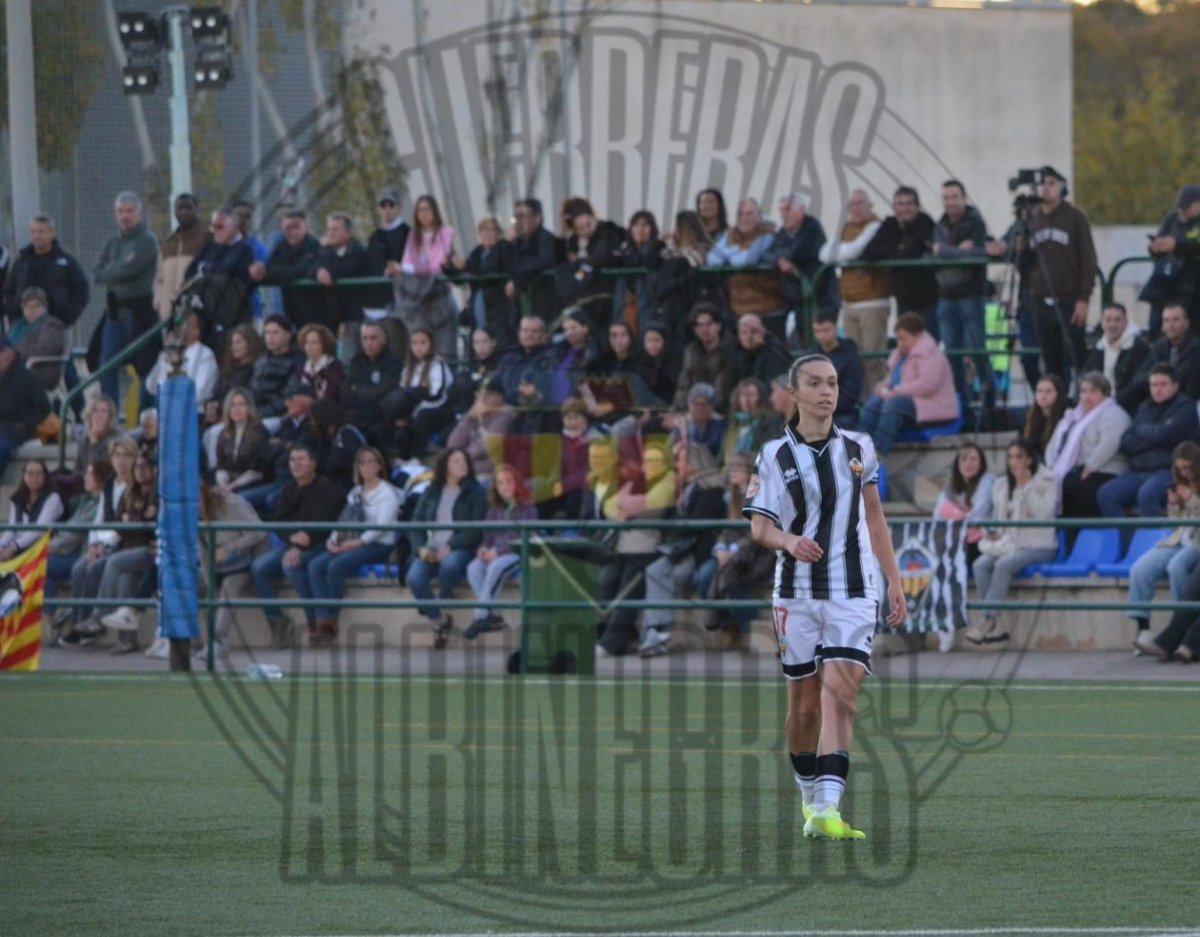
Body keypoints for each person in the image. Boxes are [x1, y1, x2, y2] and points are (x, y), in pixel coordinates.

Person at [745, 353, 906, 841]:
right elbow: (758, 527)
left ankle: (830, 808)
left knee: (843, 693)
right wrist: (789, 541)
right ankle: (808, 795)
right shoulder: (774, 455)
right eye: (814, 384)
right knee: (805, 707)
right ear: (794, 394)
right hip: (795, 592)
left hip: (854, 590)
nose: (826, 392)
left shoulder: (861, 447)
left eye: (832, 383)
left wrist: (893, 579)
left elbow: (874, 516)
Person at [249, 442, 344, 649]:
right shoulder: (288, 489)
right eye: (293, 460)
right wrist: (293, 540)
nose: (296, 464)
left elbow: (324, 524)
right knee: (259, 567)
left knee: (291, 565)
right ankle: (277, 621)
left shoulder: (325, 487)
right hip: (293, 544)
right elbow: (279, 523)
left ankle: (317, 621)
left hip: (320, 544)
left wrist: (301, 543)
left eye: (301, 459)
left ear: (313, 463)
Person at [304, 446, 403, 646]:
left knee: (336, 566)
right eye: (362, 462)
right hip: (350, 542)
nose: (367, 466)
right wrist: (333, 541)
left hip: (376, 545)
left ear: (379, 466)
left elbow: (381, 528)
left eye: (371, 462)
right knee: (315, 566)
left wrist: (356, 543)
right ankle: (323, 619)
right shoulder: (355, 492)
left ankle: (330, 623)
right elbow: (344, 521)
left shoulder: (387, 493)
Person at [966, 437, 1058, 646]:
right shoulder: (1001, 485)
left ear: (1030, 460)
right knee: (980, 565)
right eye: (1010, 457)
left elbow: (1044, 515)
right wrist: (993, 531)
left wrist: (1026, 488)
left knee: (1003, 564)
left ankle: (986, 620)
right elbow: (999, 518)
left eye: (1018, 457)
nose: (1013, 462)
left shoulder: (1047, 481)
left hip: (1039, 545)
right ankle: (996, 625)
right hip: (1008, 544)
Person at [640, 442, 726, 657]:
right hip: (681, 551)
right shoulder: (688, 489)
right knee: (655, 570)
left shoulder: (712, 489)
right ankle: (654, 632)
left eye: (680, 459)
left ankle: (654, 632)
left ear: (694, 462)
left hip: (698, 553)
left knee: (665, 574)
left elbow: (695, 524)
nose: (676, 465)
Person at [594, 440, 676, 657]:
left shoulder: (668, 480)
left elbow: (655, 504)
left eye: (657, 460)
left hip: (646, 550)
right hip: (620, 549)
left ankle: (610, 643)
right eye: (648, 460)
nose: (652, 464)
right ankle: (613, 636)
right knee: (605, 583)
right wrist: (627, 505)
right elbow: (609, 505)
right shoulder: (635, 480)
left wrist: (627, 506)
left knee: (628, 590)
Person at [405, 447, 488, 649]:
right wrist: (420, 549)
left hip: (458, 548)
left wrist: (450, 547)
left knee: (450, 565)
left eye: (464, 461)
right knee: (414, 578)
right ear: (445, 466)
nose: (462, 465)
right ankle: (439, 619)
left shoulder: (476, 492)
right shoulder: (431, 490)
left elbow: (477, 529)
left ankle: (443, 597)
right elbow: (416, 523)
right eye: (456, 461)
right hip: (431, 547)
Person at [1025, 166, 1098, 386]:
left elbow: (1088, 259)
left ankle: (1083, 399)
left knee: (1076, 354)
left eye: (1051, 184)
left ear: (1061, 187)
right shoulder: (1032, 218)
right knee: (1050, 358)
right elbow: (1024, 262)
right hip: (1040, 298)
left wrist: (1083, 298)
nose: (1046, 189)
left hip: (1069, 298)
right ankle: (1057, 404)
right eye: (1042, 184)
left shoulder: (1075, 218)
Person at [1097, 364, 1199, 519]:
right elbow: (1126, 441)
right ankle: (1126, 542)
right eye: (1154, 385)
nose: (1158, 389)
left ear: (1175, 385)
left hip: (1167, 470)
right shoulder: (1143, 408)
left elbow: (1168, 435)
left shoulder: (1185, 407)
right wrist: (1155, 434)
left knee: (1147, 495)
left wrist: (1143, 432)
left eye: (1163, 384)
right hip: (1137, 470)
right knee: (1106, 494)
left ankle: (1158, 541)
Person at [1126, 441, 1200, 647]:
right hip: (1178, 538)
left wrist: (1192, 498)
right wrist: (1174, 503)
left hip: (1197, 543)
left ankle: (1178, 630)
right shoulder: (1179, 482)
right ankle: (1142, 627)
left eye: (1188, 467)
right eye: (1180, 468)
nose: (1185, 472)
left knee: (1176, 566)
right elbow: (1175, 523)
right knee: (1140, 568)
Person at [65, 436, 138, 644]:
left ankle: (92, 622)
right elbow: (99, 519)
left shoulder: (136, 486)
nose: (121, 460)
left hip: (121, 543)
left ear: (134, 458)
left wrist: (104, 546)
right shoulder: (109, 484)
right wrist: (94, 544)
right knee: (79, 567)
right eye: (117, 455)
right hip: (104, 541)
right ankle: (79, 623)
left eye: (126, 455)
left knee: (94, 568)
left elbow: (125, 527)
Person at [699, 451, 773, 651]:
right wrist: (721, 548)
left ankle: (750, 623)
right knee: (703, 576)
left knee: (728, 580)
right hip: (731, 554)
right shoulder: (730, 496)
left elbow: (756, 533)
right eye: (732, 468)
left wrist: (732, 551)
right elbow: (726, 529)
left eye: (739, 468)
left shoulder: (760, 496)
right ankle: (729, 623)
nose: (734, 472)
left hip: (756, 556)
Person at [857, 312, 957, 455]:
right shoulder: (901, 355)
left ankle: (878, 451)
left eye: (904, 339)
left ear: (917, 335)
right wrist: (882, 387)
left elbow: (927, 385)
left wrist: (895, 391)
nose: (900, 343)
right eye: (898, 339)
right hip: (908, 401)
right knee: (873, 404)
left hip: (931, 407)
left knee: (893, 405)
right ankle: (859, 452)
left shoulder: (931, 354)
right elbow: (892, 379)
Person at [93, 191, 159, 408]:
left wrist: (114, 270)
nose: (125, 216)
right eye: (120, 211)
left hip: (140, 312)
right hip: (114, 313)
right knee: (107, 364)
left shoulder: (147, 241)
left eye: (130, 210)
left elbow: (130, 270)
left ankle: (146, 418)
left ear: (139, 212)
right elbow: (97, 274)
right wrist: (118, 269)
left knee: (144, 366)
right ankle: (108, 413)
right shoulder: (112, 243)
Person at [931, 179, 993, 401]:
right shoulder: (940, 225)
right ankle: (960, 404)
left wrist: (946, 251)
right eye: (946, 197)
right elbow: (934, 253)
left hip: (971, 295)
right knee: (952, 354)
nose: (951, 202)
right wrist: (958, 252)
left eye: (955, 197)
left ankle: (990, 402)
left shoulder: (976, 222)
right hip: (946, 296)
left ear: (964, 198)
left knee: (977, 350)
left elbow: (978, 254)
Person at [818, 189, 888, 387]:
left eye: (860, 203)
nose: (856, 208)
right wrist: (845, 254)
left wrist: (842, 254)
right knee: (854, 358)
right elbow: (824, 254)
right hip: (850, 301)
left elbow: (856, 249)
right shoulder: (846, 228)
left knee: (873, 358)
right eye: (853, 204)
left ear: (870, 205)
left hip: (873, 300)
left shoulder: (876, 226)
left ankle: (875, 402)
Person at [1044, 372, 1130, 522]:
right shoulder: (1073, 416)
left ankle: (1083, 539)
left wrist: (1089, 467)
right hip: (1077, 471)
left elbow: (1109, 443)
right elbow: (1054, 444)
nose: (1087, 396)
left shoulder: (1114, 414)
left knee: (1081, 492)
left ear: (1104, 393)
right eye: (1083, 391)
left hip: (1106, 470)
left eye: (1093, 391)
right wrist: (1051, 466)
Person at [464, 463, 537, 640]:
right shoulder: (494, 509)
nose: (505, 487)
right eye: (500, 483)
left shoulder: (528, 508)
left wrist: (498, 552)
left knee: (496, 566)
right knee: (473, 568)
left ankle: (479, 616)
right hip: (494, 552)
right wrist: (484, 548)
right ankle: (494, 614)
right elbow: (488, 535)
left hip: (517, 553)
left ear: (517, 483)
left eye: (509, 481)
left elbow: (523, 537)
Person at [96, 455, 158, 654]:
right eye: (137, 467)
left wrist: (132, 519)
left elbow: (151, 529)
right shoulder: (130, 493)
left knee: (113, 562)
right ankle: (128, 640)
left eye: (144, 466)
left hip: (150, 550)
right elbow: (118, 525)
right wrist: (139, 518)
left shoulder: (159, 493)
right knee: (125, 579)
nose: (140, 470)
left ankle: (100, 615)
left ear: (153, 469)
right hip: (131, 548)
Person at [861, 185, 939, 339]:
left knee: (929, 344)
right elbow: (869, 253)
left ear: (917, 206)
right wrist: (898, 249)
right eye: (900, 204)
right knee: (906, 344)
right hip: (903, 299)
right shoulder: (889, 225)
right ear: (894, 207)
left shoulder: (925, 222)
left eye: (909, 204)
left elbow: (912, 251)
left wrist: (895, 251)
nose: (904, 208)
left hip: (929, 298)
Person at [760, 193, 835, 341]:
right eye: (781, 210)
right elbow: (766, 255)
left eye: (787, 209)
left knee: (817, 339)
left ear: (800, 210)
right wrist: (779, 260)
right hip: (797, 297)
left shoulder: (812, 227)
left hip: (818, 296)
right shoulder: (784, 232)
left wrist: (779, 256)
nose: (783, 214)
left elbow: (797, 253)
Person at [396, 194, 458, 357]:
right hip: (418, 301)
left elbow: (438, 263)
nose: (424, 214)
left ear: (434, 211)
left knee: (445, 350)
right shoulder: (413, 236)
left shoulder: (446, 232)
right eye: (420, 210)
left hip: (439, 296)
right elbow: (406, 263)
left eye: (427, 209)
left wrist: (416, 269)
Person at [4, 213, 89, 330]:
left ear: (52, 233)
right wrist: (13, 316)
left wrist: (66, 319)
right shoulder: (22, 262)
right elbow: (9, 290)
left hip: (55, 325)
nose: (36, 236)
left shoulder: (66, 262)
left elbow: (81, 292)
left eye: (41, 231)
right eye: (33, 232)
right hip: (22, 325)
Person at [384, 327, 455, 459]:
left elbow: (438, 396)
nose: (418, 347)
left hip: (437, 409)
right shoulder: (409, 367)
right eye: (415, 343)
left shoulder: (438, 365)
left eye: (423, 342)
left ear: (431, 344)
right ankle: (401, 456)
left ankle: (418, 456)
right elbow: (403, 390)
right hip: (413, 407)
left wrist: (415, 409)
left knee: (421, 418)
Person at [450, 215, 516, 349]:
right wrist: (449, 267)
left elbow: (489, 270)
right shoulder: (477, 252)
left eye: (491, 230)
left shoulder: (503, 247)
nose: (487, 234)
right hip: (478, 305)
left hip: (498, 306)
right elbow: (463, 277)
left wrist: (467, 264)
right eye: (484, 231)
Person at [1120, 301, 1200, 411]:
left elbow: (1187, 387)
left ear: (1186, 323)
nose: (1171, 325)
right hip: (1154, 403)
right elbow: (1139, 379)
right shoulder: (1159, 348)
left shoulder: (1196, 350)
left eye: (1176, 320)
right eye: (1166, 320)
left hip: (1184, 408)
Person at [706, 198, 776, 322]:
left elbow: (747, 260)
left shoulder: (767, 233)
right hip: (737, 305)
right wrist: (737, 250)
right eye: (740, 214)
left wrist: (727, 254)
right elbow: (712, 259)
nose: (744, 218)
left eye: (749, 214)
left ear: (758, 216)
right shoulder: (731, 233)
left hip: (764, 304)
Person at [932, 442, 995, 575]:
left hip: (978, 543)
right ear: (957, 464)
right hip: (954, 539)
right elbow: (937, 517)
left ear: (981, 463)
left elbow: (977, 515)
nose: (968, 463)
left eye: (973, 459)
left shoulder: (988, 480)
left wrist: (950, 511)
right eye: (964, 459)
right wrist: (959, 514)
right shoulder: (950, 488)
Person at [1145, 184, 1200, 335]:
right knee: (1158, 326)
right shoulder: (1172, 219)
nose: (1183, 210)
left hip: (1193, 286)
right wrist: (1155, 247)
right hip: (1168, 282)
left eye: (1187, 207)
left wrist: (1177, 245)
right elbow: (1160, 239)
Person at [313, 212, 369, 357]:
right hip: (331, 314)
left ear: (348, 232)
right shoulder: (325, 252)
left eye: (336, 229)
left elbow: (340, 271)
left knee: (349, 356)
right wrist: (318, 270)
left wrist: (325, 250)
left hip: (353, 315)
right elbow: (311, 265)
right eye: (329, 229)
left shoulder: (357, 251)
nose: (331, 234)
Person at [253, 210, 321, 329]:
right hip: (290, 308)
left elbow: (300, 271)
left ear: (306, 227)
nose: (292, 232)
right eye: (288, 228)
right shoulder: (281, 246)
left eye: (296, 227)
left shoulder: (314, 246)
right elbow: (269, 268)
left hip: (314, 309)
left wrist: (274, 272)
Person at [144, 310, 219, 415]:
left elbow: (202, 392)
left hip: (192, 414)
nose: (180, 327)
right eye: (179, 323)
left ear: (196, 331)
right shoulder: (169, 352)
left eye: (186, 323)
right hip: (165, 412)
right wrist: (163, 358)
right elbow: (151, 387)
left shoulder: (205, 354)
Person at [342, 320, 404, 444]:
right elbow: (346, 392)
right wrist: (364, 392)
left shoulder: (393, 363)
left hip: (380, 417)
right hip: (357, 413)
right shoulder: (357, 361)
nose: (368, 343)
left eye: (373, 338)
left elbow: (380, 393)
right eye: (364, 338)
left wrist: (358, 390)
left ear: (384, 340)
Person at [1084, 302, 1151, 414]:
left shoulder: (1139, 347)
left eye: (1117, 320)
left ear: (1125, 322)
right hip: (1099, 406)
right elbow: (1087, 376)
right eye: (1108, 320)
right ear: (1102, 323)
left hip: (1129, 408)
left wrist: (1113, 402)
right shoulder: (1099, 348)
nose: (1112, 324)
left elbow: (1139, 384)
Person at [445, 378, 517, 481]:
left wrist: (460, 459)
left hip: (490, 473)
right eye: (479, 394)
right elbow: (452, 444)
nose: (482, 398)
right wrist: (469, 418)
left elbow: (486, 446)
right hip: (468, 469)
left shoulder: (505, 416)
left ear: (500, 397)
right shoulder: (476, 416)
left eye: (488, 394)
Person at [0, 335, 51, 480]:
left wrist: (25, 424)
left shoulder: (26, 377)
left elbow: (44, 407)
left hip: (14, 431)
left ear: (9, 354)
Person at [506, 197, 561, 326]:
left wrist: (517, 280)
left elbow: (542, 262)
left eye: (523, 216)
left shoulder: (546, 239)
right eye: (516, 217)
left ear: (537, 218)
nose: (519, 222)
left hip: (545, 300)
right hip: (521, 305)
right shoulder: (516, 243)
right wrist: (505, 243)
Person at [672, 303, 737, 411]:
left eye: (709, 324)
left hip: (718, 410)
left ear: (718, 326)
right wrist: (679, 409)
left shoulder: (729, 350)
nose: (704, 329)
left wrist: (702, 409)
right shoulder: (690, 351)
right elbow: (683, 385)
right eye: (700, 325)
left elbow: (721, 390)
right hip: (693, 408)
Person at [804, 311, 863, 429]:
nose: (821, 336)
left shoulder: (849, 355)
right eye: (817, 331)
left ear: (836, 329)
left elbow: (851, 394)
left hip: (841, 415)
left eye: (826, 330)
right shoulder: (810, 355)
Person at [153, 194, 205, 322]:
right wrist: (159, 302)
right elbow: (159, 278)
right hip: (168, 315)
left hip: (194, 314)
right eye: (180, 208)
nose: (184, 212)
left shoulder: (206, 239)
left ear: (197, 210)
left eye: (188, 208)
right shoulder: (168, 243)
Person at [0, 459, 64, 563]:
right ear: (24, 476)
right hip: (20, 547)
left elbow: (39, 529)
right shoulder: (17, 499)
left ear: (45, 476)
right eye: (30, 473)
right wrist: (2, 546)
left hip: (42, 549)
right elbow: (12, 529)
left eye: (38, 474)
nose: (34, 477)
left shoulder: (53, 498)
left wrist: (14, 547)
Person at [211, 388, 270, 496]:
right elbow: (221, 465)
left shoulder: (259, 432)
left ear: (249, 408)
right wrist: (223, 484)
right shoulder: (224, 433)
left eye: (241, 404)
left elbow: (258, 470)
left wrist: (233, 486)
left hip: (254, 482)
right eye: (232, 405)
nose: (236, 409)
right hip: (229, 483)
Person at [250, 314, 303, 428]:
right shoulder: (261, 360)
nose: (270, 337)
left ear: (288, 335)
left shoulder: (297, 362)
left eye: (275, 333)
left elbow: (288, 397)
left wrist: (259, 414)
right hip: (252, 413)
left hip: (278, 417)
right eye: (267, 332)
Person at [11, 287, 67, 394]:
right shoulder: (17, 326)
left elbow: (47, 348)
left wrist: (14, 353)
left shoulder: (52, 324)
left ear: (44, 307)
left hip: (39, 370)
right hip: (17, 368)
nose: (31, 311)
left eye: (36, 306)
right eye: (27, 307)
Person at [364, 186, 410, 313]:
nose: (387, 209)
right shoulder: (374, 237)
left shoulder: (408, 233)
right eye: (383, 205)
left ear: (399, 207)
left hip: (406, 295)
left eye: (391, 205)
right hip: (382, 299)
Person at [1022, 375, 1067, 457]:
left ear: (1058, 394)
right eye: (1039, 391)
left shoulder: (1065, 418)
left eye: (1048, 391)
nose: (1043, 395)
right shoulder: (1029, 418)